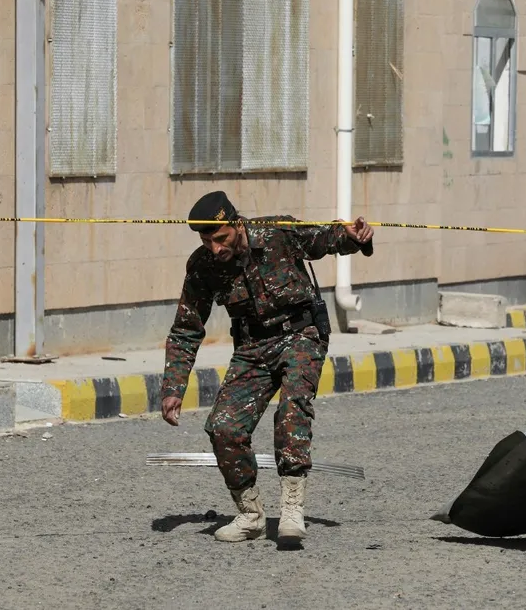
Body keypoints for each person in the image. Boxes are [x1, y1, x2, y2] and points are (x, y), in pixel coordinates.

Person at [159, 190, 374, 545]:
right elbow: (186, 328)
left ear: (236, 224)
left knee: (292, 410)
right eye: (207, 241)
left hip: (301, 335)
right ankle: (251, 515)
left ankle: (292, 508)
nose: (215, 247)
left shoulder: (277, 232)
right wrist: (173, 388)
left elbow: (325, 237)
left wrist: (354, 236)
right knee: (223, 427)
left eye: (221, 238)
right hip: (252, 349)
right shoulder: (203, 265)